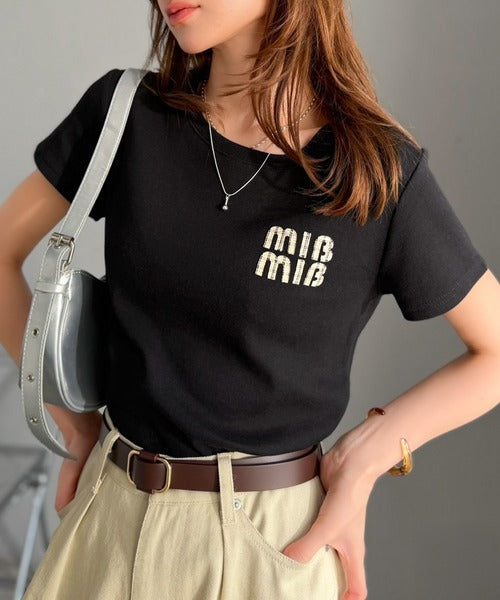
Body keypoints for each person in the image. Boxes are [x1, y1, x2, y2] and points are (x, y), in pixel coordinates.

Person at [0, 1, 499, 599]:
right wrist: (68, 417)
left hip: (273, 548)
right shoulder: (125, 116)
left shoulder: (374, 172)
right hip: (109, 524)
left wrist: (368, 452)